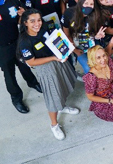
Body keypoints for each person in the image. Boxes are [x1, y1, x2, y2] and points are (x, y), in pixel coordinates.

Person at [17, 9, 78, 140]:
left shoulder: (43, 29)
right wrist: (54, 58)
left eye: (39, 20)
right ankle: (54, 125)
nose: (37, 23)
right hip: (45, 67)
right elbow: (32, 61)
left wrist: (64, 50)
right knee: (52, 96)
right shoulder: (24, 42)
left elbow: (54, 41)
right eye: (32, 21)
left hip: (56, 60)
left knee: (61, 86)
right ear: (25, 23)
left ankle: (62, 106)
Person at [61, 0, 106, 75]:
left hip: (92, 44)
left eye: (91, 4)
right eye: (86, 3)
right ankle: (91, 86)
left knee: (101, 64)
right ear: (80, 3)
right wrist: (75, 50)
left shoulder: (96, 15)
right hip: (77, 46)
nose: (88, 6)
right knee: (88, 68)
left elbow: (95, 34)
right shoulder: (69, 13)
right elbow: (66, 33)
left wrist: (97, 36)